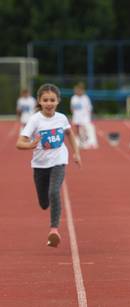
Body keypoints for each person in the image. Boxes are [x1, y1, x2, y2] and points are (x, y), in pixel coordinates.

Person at [16, 83, 81, 248]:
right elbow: (19, 143)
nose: (49, 103)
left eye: (52, 100)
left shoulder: (61, 118)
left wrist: (76, 153)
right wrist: (31, 145)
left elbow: (70, 134)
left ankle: (54, 230)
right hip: (39, 165)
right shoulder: (35, 120)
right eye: (45, 100)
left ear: (58, 101)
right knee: (44, 203)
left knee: (54, 191)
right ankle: (47, 207)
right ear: (39, 101)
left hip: (59, 161)